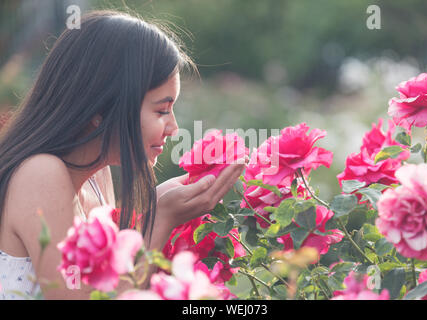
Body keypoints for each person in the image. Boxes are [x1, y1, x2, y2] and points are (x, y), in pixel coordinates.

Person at [0, 10, 246, 299]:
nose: (174, 128)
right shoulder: (41, 175)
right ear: (101, 109)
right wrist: (161, 218)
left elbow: (108, 286)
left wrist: (155, 206)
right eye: (161, 110)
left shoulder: (96, 175)